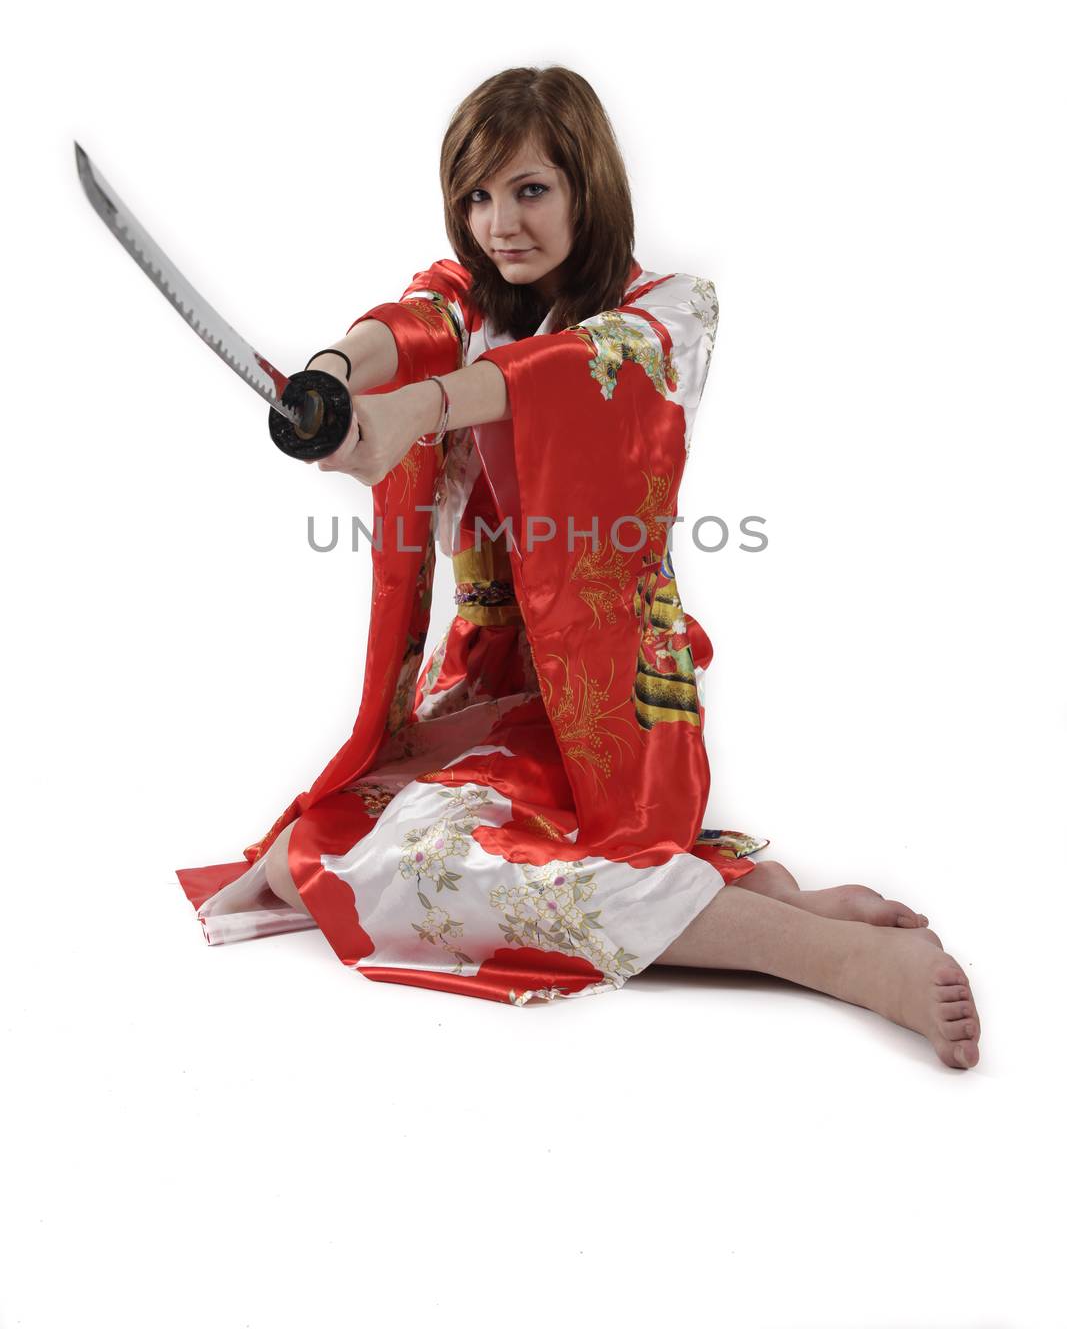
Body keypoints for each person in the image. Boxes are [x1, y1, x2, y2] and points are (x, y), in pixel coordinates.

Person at [176, 65, 980, 1068]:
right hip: (490, 697)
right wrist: (333, 382)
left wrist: (415, 412)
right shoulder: (467, 299)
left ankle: (817, 956)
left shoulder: (666, 313)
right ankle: (725, 901)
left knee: (420, 867)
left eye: (528, 190)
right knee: (307, 858)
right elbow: (409, 325)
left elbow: (564, 372)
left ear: (586, 189)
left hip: (616, 709)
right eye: (475, 195)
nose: (498, 223)